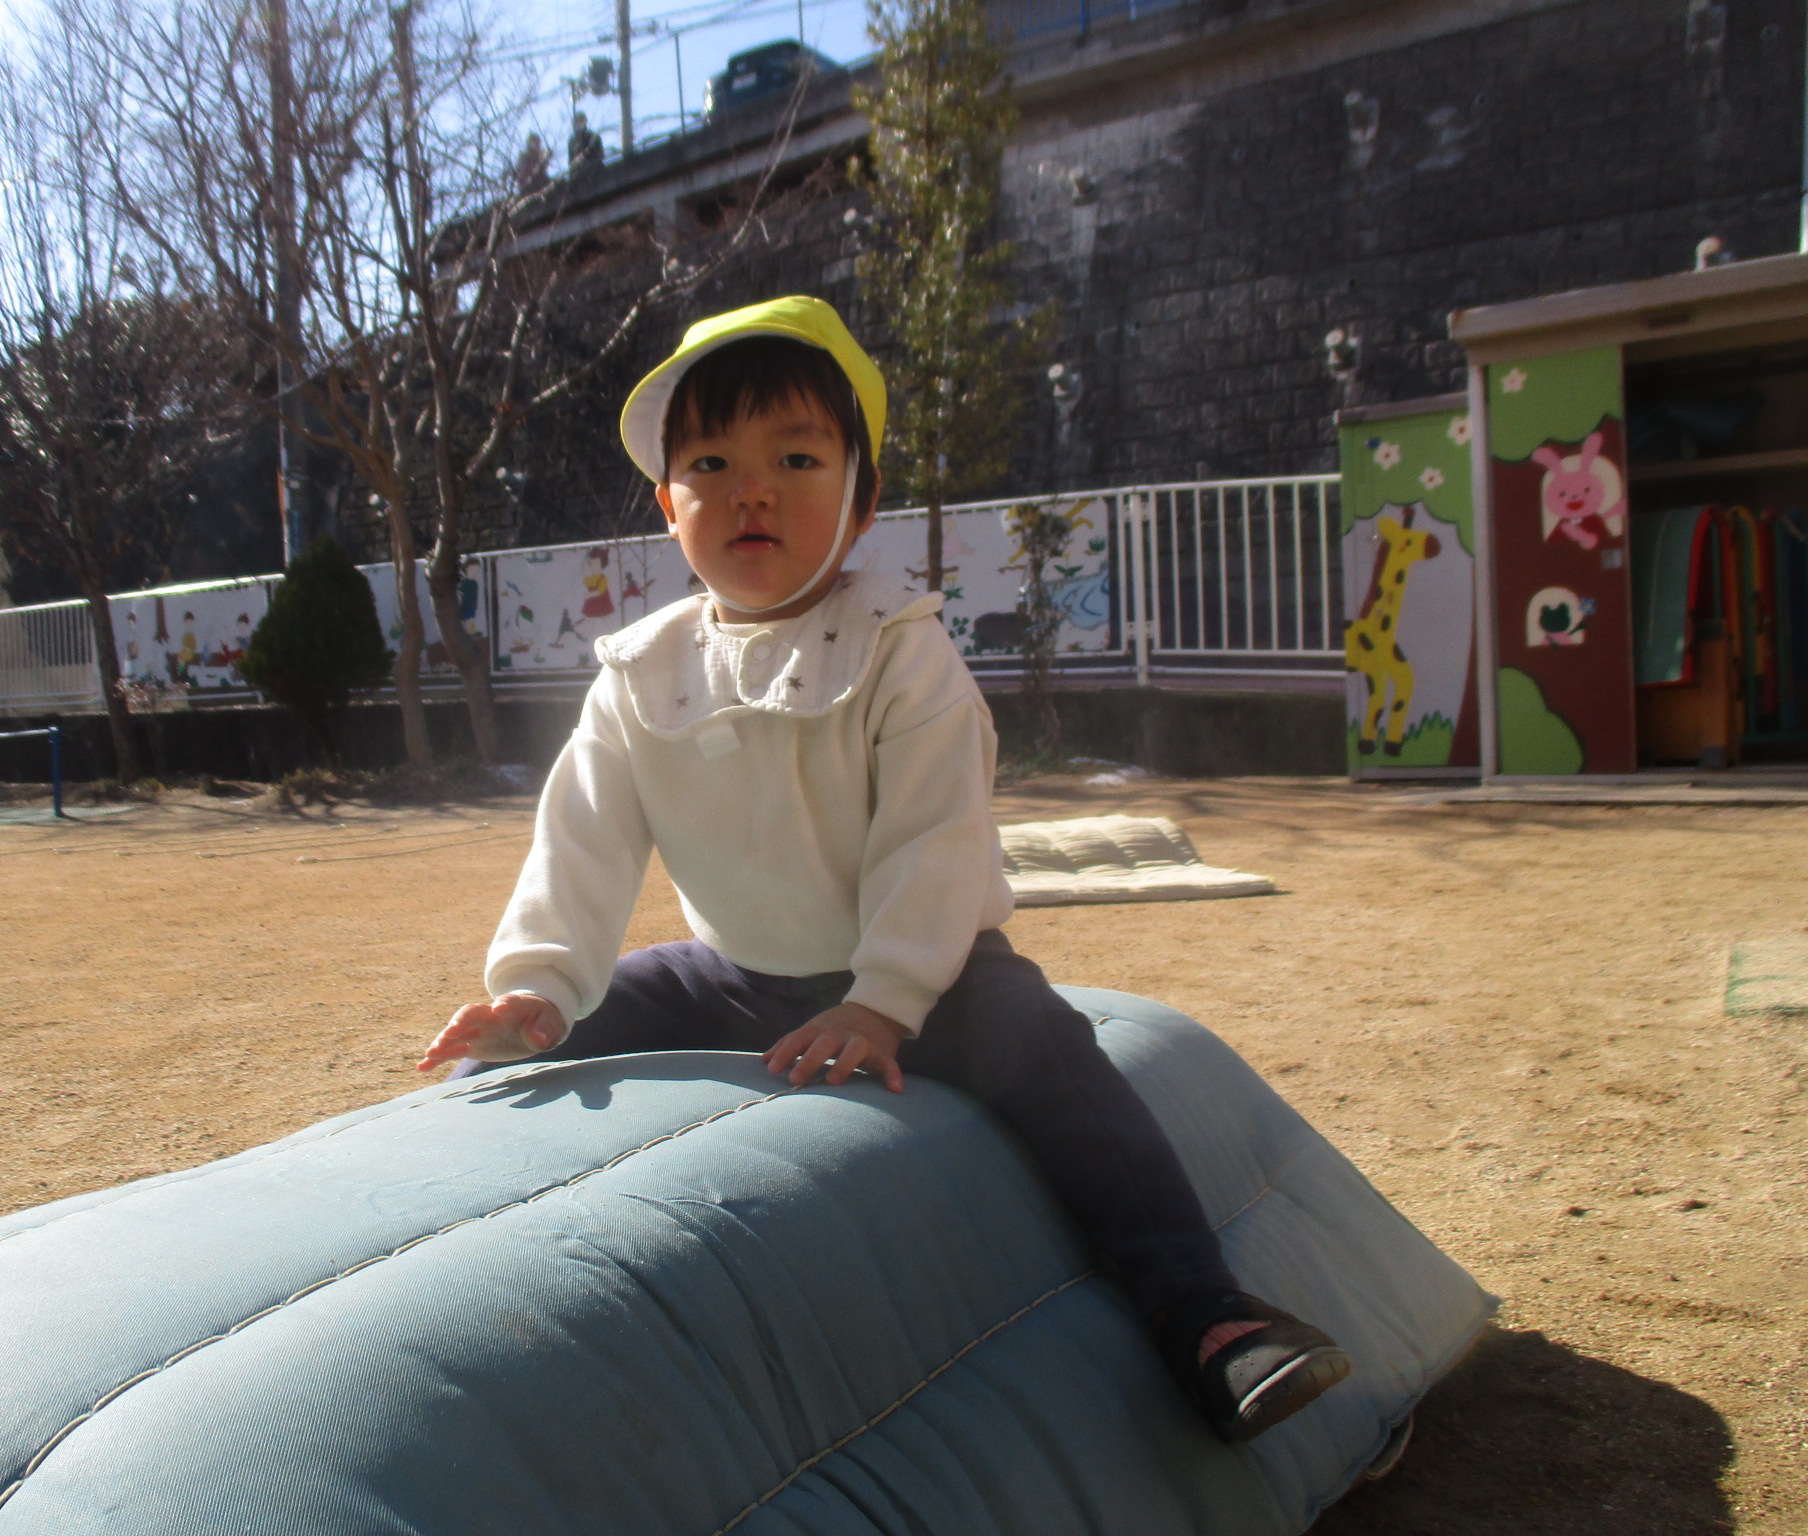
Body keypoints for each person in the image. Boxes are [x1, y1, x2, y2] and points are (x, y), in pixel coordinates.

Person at [416, 295, 1350, 1443]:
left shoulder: (902, 651)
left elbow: (934, 838)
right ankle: (435, 1179)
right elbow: (582, 837)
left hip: (932, 976)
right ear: (668, 504)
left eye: (795, 458)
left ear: (859, 504)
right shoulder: (638, 671)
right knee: (568, 1022)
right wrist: (541, 984)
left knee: (1052, 1059)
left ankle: (1205, 1314)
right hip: (733, 975)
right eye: (710, 463)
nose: (751, 491)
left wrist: (882, 1000)